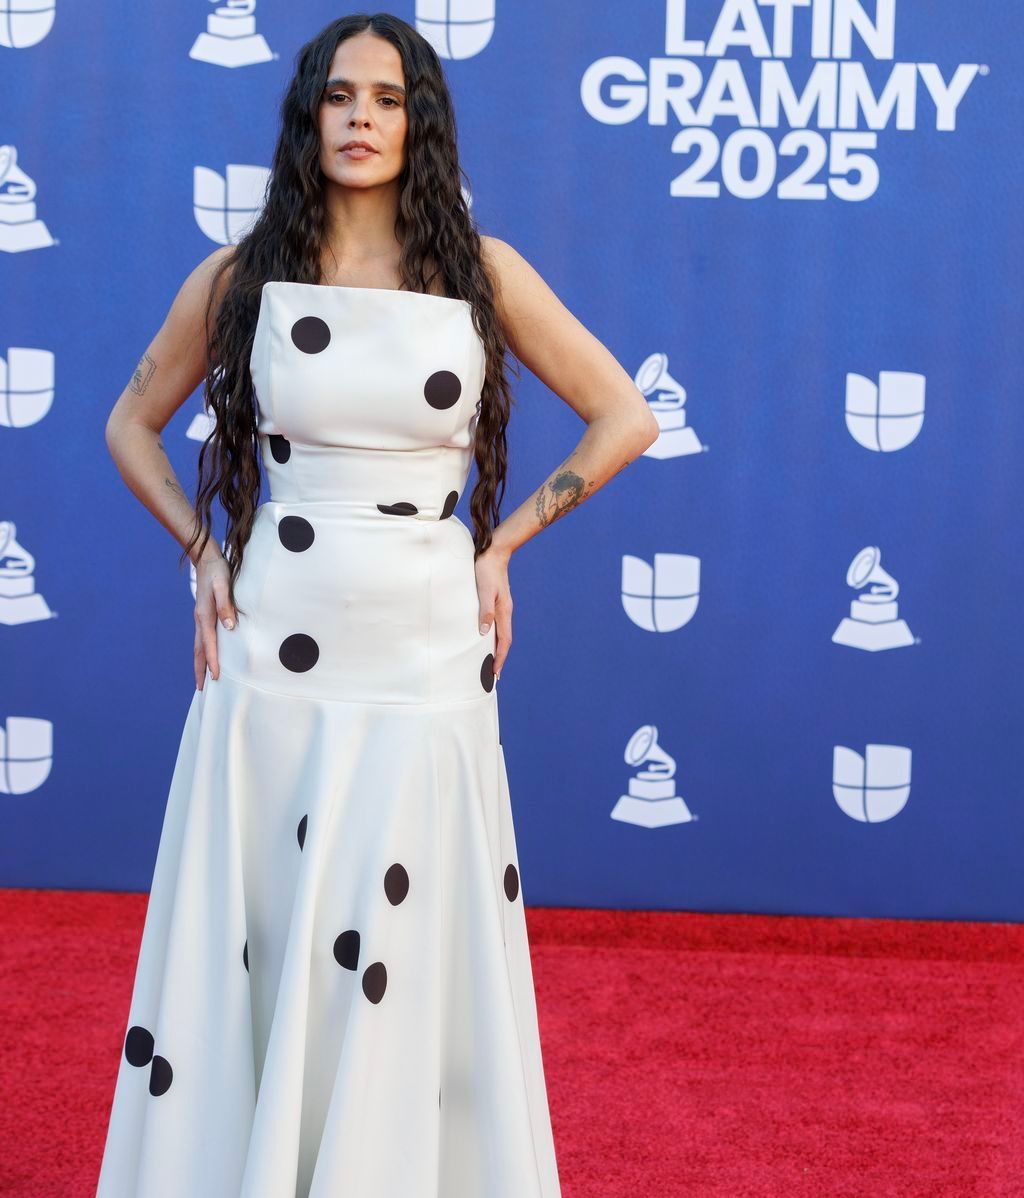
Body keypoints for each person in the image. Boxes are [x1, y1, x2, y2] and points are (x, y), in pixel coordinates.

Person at [96, 11, 659, 1198]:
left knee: (398, 925)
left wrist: (501, 542)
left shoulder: (479, 273)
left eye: (388, 99)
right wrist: (204, 548)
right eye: (340, 96)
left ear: (422, 122)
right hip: (273, 644)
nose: (361, 118)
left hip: (422, 643)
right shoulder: (244, 276)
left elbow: (624, 414)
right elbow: (127, 425)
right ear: (309, 116)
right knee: (271, 913)